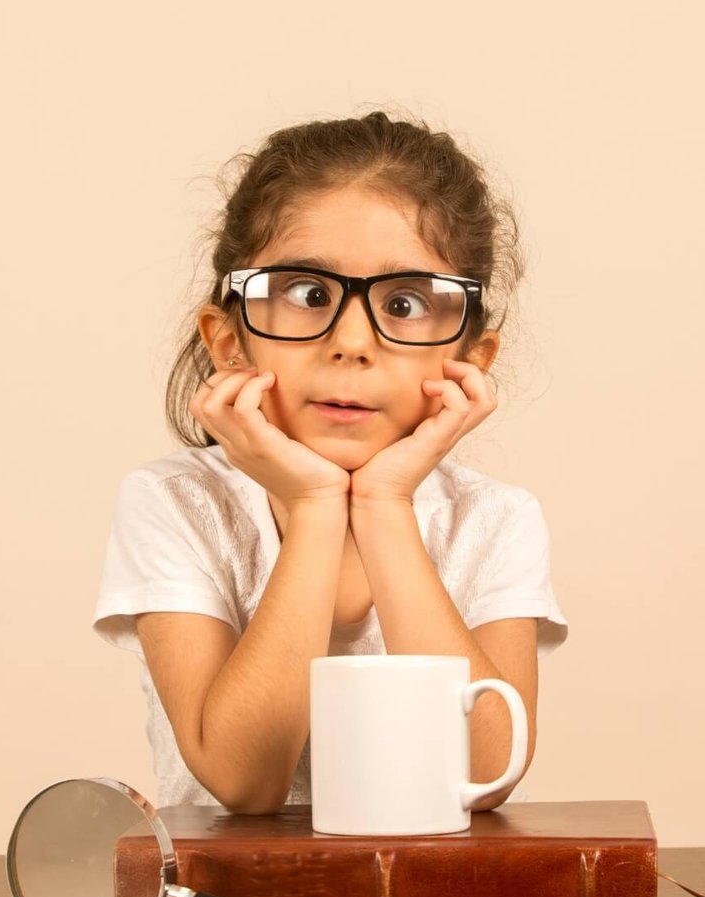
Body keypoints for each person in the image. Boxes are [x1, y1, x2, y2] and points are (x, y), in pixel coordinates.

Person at [93, 110, 568, 815]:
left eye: (404, 303)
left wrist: (383, 506)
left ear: (469, 360)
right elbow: (244, 783)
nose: (352, 342)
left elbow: (488, 775)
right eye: (308, 294)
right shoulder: (175, 502)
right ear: (229, 341)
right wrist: (317, 509)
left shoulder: (496, 520)